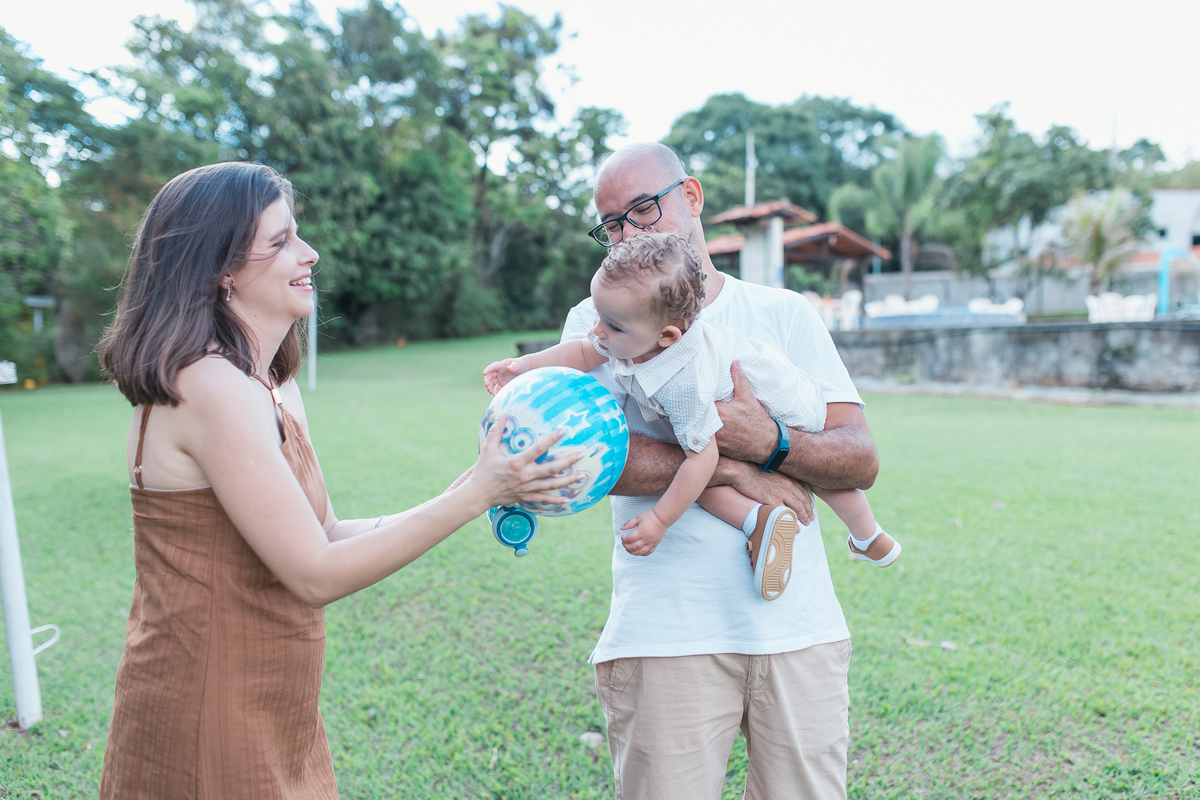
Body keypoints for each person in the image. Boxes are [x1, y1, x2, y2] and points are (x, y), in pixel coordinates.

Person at [95, 162, 582, 799]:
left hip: (272, 692)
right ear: (220, 269)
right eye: (280, 242)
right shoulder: (209, 386)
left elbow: (323, 532)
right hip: (208, 699)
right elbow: (315, 574)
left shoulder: (268, 383)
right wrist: (475, 495)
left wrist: (476, 484)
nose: (310, 253)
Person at [557, 143, 881, 800]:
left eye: (643, 209)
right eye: (612, 223)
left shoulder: (782, 312)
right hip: (664, 631)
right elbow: (589, 453)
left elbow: (858, 456)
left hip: (799, 630)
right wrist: (734, 468)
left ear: (692, 196)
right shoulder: (598, 322)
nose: (629, 233)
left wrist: (771, 440)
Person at [483, 232, 899, 601]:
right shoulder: (628, 330)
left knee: (696, 470)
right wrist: (525, 366)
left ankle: (787, 523)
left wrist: (660, 519)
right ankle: (865, 535)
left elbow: (703, 461)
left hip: (776, 400)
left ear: (667, 336)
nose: (598, 331)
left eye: (611, 325)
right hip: (769, 389)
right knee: (789, 474)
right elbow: (581, 351)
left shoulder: (681, 382)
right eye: (598, 315)